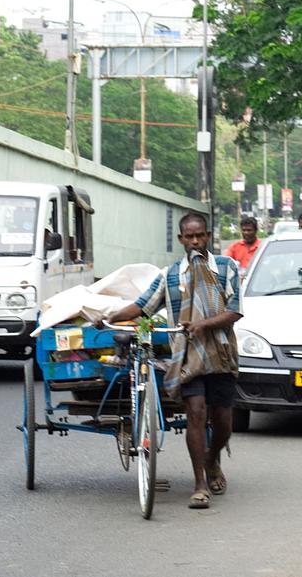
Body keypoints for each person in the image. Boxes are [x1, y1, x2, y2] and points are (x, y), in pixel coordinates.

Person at [102, 212, 242, 511]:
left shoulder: (226, 268)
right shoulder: (171, 275)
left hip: (221, 352)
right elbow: (143, 307)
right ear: (181, 239)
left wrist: (203, 324)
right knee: (195, 412)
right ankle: (200, 484)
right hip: (188, 356)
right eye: (189, 237)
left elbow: (234, 311)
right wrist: (111, 316)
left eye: (200, 235)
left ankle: (212, 457)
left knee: (223, 422)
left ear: (208, 236)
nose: (195, 241)